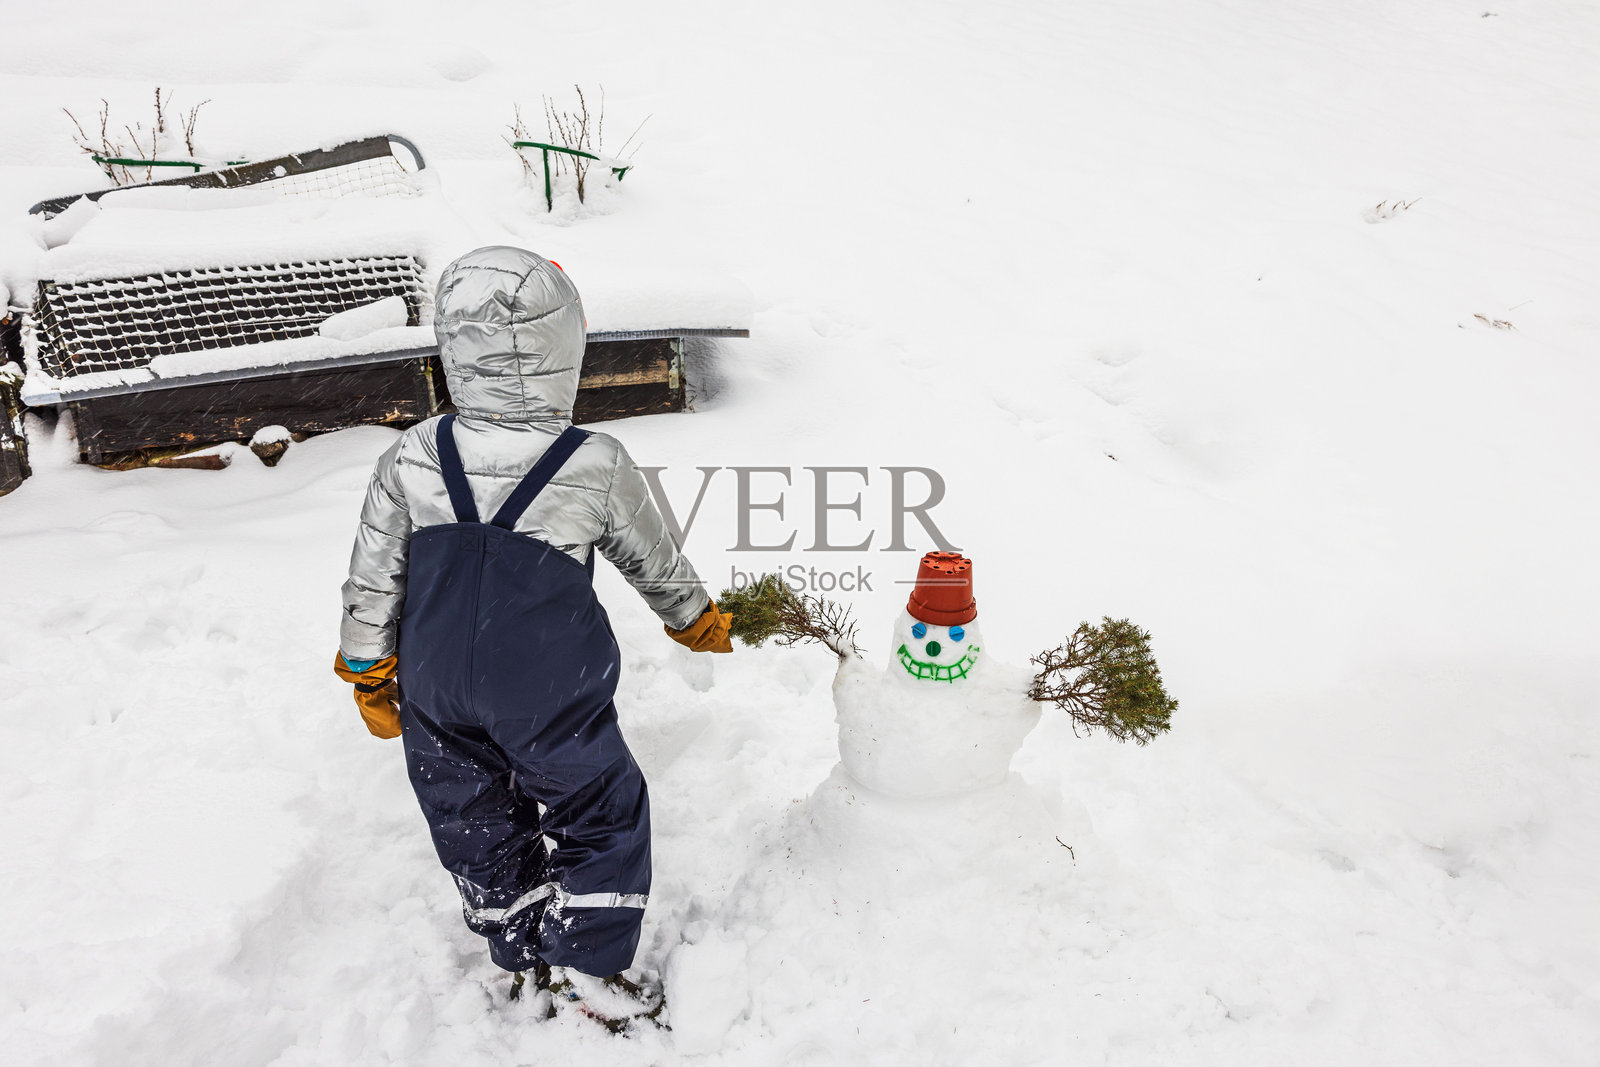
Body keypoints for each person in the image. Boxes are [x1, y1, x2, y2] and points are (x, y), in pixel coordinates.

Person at [333, 246, 732, 1018]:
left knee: (470, 813)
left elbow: (373, 574)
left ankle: (516, 951)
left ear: (454, 345)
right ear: (563, 349)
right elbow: (652, 558)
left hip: (436, 685)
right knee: (601, 807)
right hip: (547, 689)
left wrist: (366, 668)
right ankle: (587, 960)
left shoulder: (412, 453)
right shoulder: (593, 462)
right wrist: (695, 620)